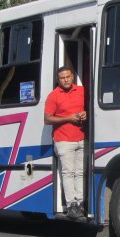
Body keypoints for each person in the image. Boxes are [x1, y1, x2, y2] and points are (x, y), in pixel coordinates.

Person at [44, 66, 86, 219]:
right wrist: (68, 118)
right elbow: (47, 119)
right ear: (58, 80)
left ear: (73, 77)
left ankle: (80, 202)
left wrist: (86, 113)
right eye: (62, 78)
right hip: (63, 139)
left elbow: (89, 107)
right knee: (68, 172)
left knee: (80, 172)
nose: (66, 80)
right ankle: (71, 205)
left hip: (81, 138)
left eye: (68, 77)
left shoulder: (82, 91)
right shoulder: (53, 96)